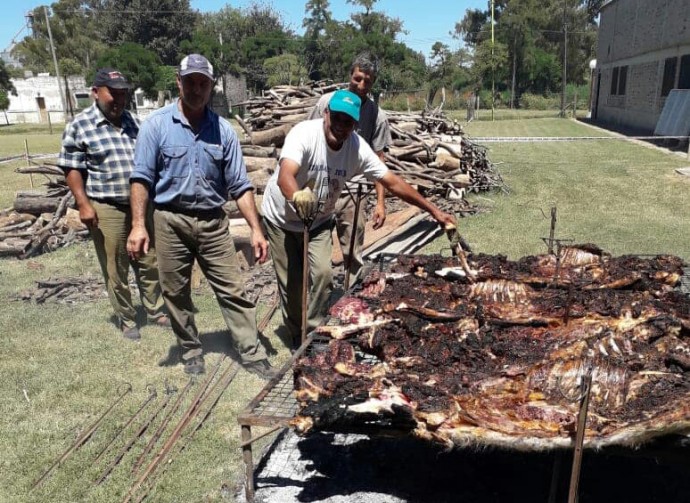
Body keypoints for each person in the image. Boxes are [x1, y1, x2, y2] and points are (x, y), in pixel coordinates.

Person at [262, 89, 456, 348]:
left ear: (354, 124)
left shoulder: (357, 148)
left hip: (318, 220)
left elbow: (393, 182)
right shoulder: (304, 134)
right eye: (337, 118)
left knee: (322, 275)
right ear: (326, 113)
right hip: (281, 218)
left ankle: (312, 334)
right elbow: (285, 174)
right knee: (292, 284)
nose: (340, 126)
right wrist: (296, 195)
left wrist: (434, 210)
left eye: (348, 122)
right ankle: (296, 332)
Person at [126, 53, 274, 378]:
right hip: (169, 220)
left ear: (212, 87)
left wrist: (256, 229)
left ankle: (251, 352)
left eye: (202, 83)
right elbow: (141, 178)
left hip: (213, 222)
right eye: (190, 82)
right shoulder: (156, 126)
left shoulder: (224, 131)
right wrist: (139, 224)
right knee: (175, 292)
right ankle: (191, 350)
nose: (196, 89)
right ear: (178, 82)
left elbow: (240, 184)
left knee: (233, 289)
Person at [59, 67, 169, 341]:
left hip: (140, 204)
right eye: (114, 94)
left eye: (123, 94)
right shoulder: (80, 125)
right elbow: (72, 168)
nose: (119, 100)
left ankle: (155, 309)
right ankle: (127, 317)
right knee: (116, 264)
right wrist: (83, 204)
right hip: (107, 205)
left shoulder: (132, 122)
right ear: (95, 92)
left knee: (148, 258)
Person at [308, 52, 391, 285]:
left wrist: (381, 202)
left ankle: (350, 299)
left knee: (353, 250)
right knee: (313, 250)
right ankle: (313, 298)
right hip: (321, 186)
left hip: (353, 191)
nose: (361, 85)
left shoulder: (377, 116)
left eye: (368, 81)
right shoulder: (326, 103)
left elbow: (379, 160)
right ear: (349, 76)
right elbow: (306, 138)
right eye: (357, 78)